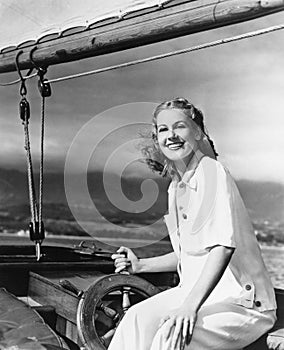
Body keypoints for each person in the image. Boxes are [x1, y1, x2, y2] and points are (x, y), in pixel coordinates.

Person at [108, 97, 277, 350]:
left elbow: (222, 247)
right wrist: (141, 265)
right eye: (163, 130)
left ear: (198, 132)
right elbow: (188, 255)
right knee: (135, 319)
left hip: (244, 303)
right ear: (157, 138)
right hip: (197, 295)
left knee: (172, 334)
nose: (171, 135)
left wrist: (189, 307)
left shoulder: (212, 171)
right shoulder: (176, 187)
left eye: (180, 126)